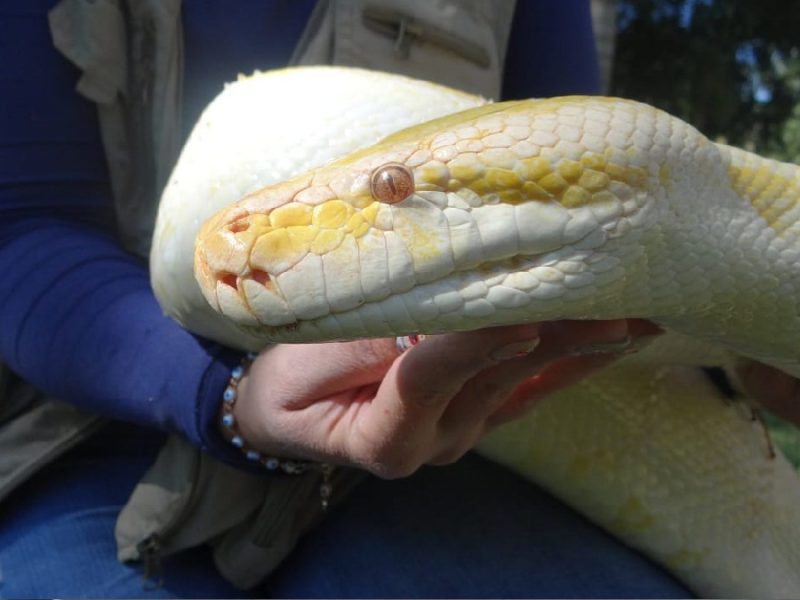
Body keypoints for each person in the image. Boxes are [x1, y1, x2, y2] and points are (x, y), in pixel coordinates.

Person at [2, 1, 790, 597]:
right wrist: (228, 396)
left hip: (459, 449)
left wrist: (740, 337)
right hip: (90, 438)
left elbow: (599, 232)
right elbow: (20, 234)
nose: (244, 238)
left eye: (393, 190)